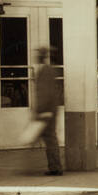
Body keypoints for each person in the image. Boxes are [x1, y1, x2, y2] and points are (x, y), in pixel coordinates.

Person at [32, 46, 63, 176]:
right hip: (49, 109)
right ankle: (54, 166)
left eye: (38, 54)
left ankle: (55, 167)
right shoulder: (47, 70)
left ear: (42, 56)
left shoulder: (45, 71)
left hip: (47, 110)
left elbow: (45, 93)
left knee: (50, 139)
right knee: (49, 138)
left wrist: (41, 110)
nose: (36, 56)